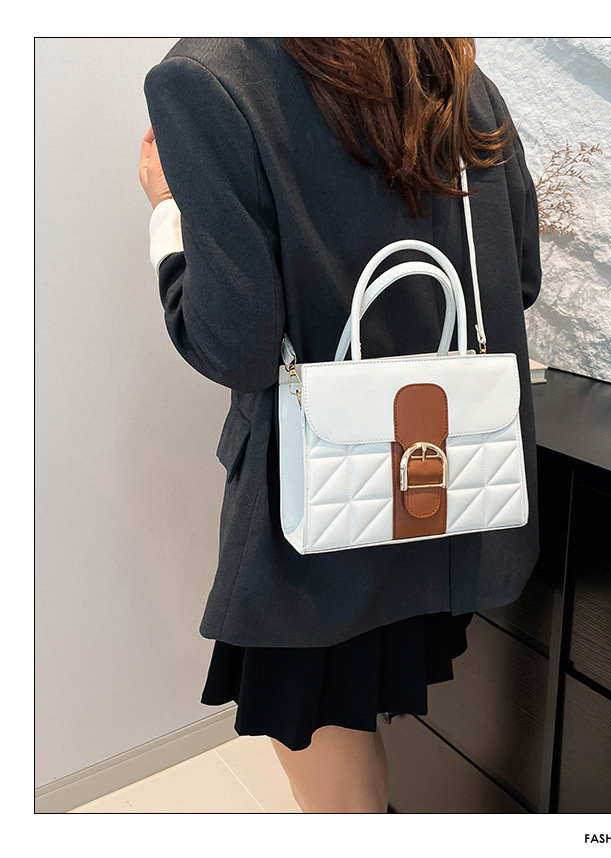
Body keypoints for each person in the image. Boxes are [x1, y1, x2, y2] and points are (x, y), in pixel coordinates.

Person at [139, 37, 542, 814]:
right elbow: (516, 278)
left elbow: (233, 346)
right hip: (447, 501)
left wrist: (166, 214)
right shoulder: (455, 73)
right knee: (351, 748)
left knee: (334, 777)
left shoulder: (205, 75)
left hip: (319, 514)